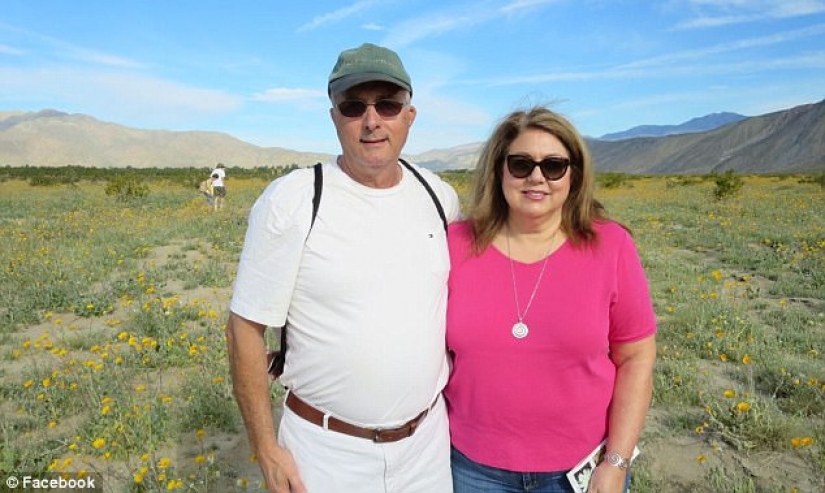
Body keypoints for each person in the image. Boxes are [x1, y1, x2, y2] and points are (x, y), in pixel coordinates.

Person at [225, 42, 460, 493]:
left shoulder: (439, 197)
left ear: (409, 116)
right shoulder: (294, 200)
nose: (372, 121)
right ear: (334, 117)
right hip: (325, 453)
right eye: (354, 106)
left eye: (388, 105)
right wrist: (266, 450)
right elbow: (244, 328)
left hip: (428, 449)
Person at [444, 106, 657, 493]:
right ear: (499, 170)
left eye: (554, 166)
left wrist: (617, 462)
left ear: (573, 175)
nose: (537, 177)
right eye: (521, 164)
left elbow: (637, 358)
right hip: (473, 470)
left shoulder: (611, 247)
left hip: (580, 471)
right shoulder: (455, 244)